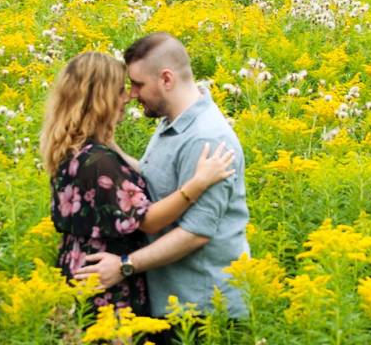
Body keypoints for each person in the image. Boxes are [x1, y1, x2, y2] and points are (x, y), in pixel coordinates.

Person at [75, 33, 250, 332]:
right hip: (176, 301)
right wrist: (109, 146)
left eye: (139, 84)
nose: (132, 94)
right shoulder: (173, 123)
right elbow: (151, 177)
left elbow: (196, 233)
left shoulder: (206, 138)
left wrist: (124, 265)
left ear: (166, 79)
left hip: (205, 308)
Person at [40, 51, 236, 315]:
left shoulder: (76, 151)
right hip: (106, 286)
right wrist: (197, 184)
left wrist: (110, 142)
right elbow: (149, 219)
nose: (128, 96)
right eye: (120, 90)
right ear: (102, 97)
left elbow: (124, 178)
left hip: (80, 271)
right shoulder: (99, 162)